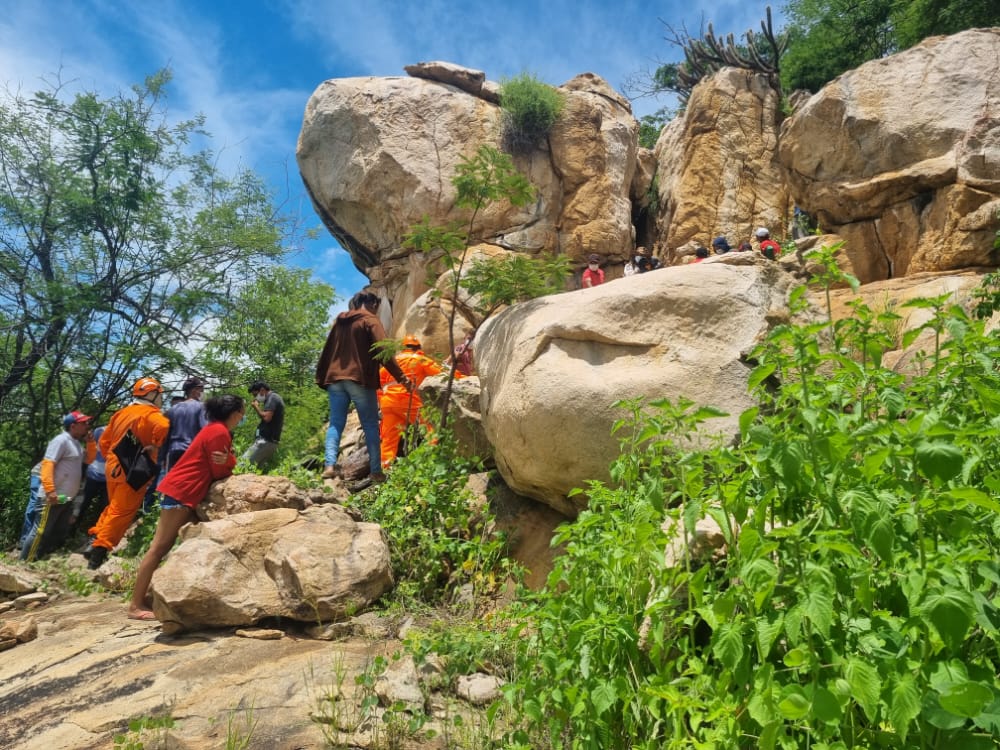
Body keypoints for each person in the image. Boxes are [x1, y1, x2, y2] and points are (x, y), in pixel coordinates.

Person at [127, 394, 244, 621]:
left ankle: (157, 597)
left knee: (171, 547)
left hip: (185, 492)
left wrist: (228, 459)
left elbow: (219, 462)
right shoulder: (219, 432)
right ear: (233, 413)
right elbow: (219, 470)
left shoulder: (213, 429)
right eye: (241, 412)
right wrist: (231, 460)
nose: (242, 417)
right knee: (159, 548)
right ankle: (135, 605)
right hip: (182, 492)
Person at [315, 291, 410, 484]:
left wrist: (323, 375)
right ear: (371, 303)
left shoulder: (339, 322)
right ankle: (376, 471)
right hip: (359, 379)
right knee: (370, 425)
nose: (377, 309)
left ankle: (330, 465)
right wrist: (401, 377)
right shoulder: (370, 320)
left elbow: (327, 349)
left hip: (335, 379)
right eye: (376, 305)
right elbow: (383, 349)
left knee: (335, 423)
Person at [85, 377, 170, 570]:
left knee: (113, 506)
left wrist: (114, 460)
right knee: (122, 511)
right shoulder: (152, 415)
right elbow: (165, 430)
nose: (161, 399)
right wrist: (155, 450)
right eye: (160, 395)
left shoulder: (121, 413)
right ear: (151, 394)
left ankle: (94, 540)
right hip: (132, 471)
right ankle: (98, 553)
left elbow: (104, 443)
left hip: (113, 465)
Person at [21, 411, 96, 560]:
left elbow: (89, 460)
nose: (87, 426)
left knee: (55, 530)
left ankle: (39, 558)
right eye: (84, 423)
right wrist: (50, 490)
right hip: (53, 496)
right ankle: (24, 562)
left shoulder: (76, 444)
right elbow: (48, 464)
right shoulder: (61, 440)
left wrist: (90, 443)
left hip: (64, 498)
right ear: (73, 426)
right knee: (40, 530)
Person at [379, 335, 443, 468]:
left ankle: (384, 471)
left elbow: (377, 385)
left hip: (388, 404)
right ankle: (434, 462)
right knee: (430, 429)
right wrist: (465, 378)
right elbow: (442, 374)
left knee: (389, 441)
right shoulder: (420, 359)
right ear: (418, 348)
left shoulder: (391, 363)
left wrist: (381, 402)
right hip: (408, 401)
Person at [163, 377, 207, 472]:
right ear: (195, 391)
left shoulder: (172, 410)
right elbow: (206, 431)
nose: (203, 392)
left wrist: (162, 457)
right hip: (192, 453)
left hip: (173, 452)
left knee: (172, 483)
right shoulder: (202, 407)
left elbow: (164, 434)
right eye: (202, 390)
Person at [72, 425, 107, 530]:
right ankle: (71, 532)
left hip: (109, 477)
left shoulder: (126, 435)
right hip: (93, 473)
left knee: (104, 507)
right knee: (82, 504)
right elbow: (91, 448)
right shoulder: (100, 431)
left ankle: (97, 532)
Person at [243, 381, 284, 468]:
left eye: (255, 395)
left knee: (242, 465)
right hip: (269, 442)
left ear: (262, 390)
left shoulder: (272, 398)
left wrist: (256, 407)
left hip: (265, 441)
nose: (256, 398)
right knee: (255, 470)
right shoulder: (272, 398)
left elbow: (267, 418)